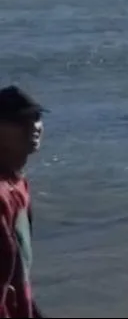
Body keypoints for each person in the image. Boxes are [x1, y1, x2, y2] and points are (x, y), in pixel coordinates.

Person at [0, 86, 46, 318]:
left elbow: (21, 270)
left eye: (36, 117)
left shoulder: (18, 183)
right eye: (19, 121)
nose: (33, 127)